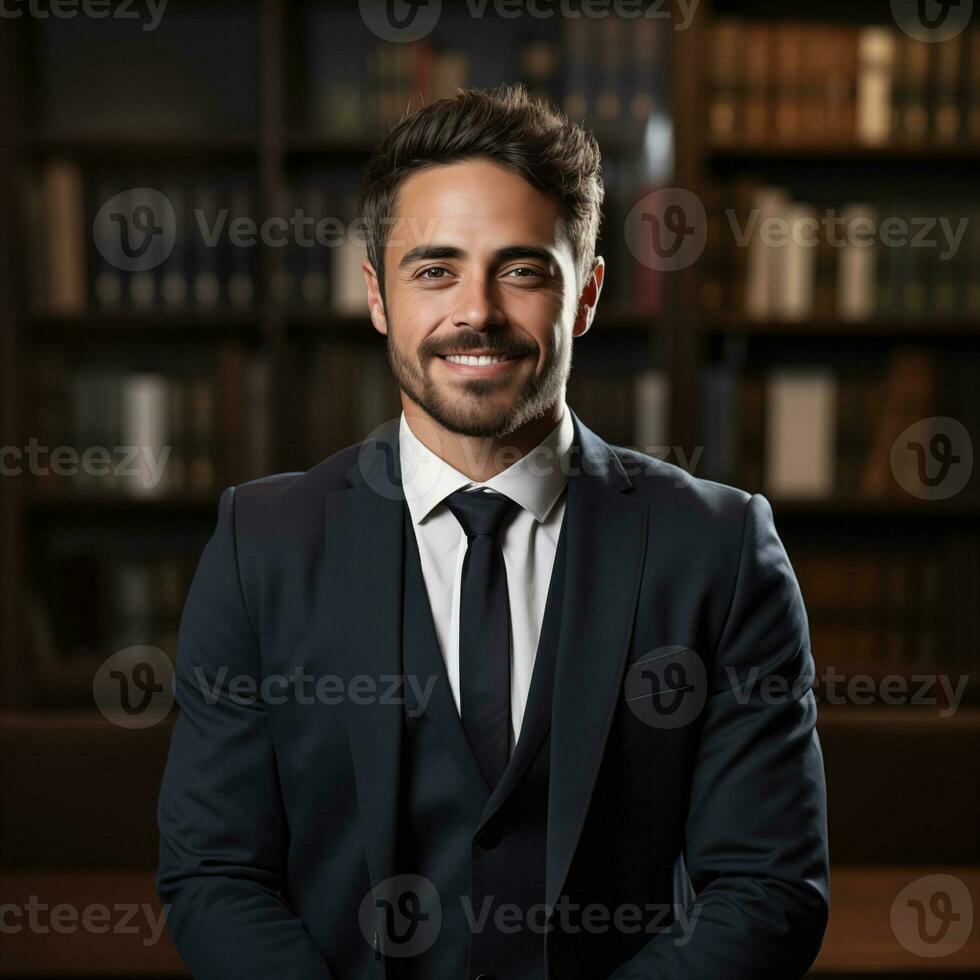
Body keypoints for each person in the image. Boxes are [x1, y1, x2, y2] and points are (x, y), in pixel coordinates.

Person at [157, 82, 829, 979]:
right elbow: (216, 875)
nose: (476, 311)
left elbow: (767, 889)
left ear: (585, 296)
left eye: (522, 270)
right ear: (377, 296)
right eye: (434, 270)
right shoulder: (261, 546)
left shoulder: (720, 549)